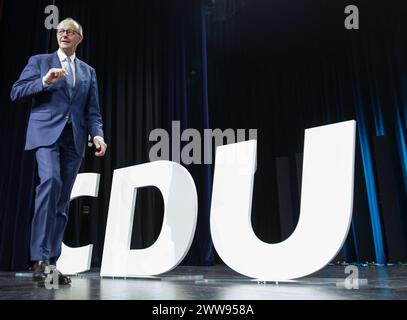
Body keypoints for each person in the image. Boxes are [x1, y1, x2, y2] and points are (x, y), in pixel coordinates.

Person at [10, 17, 107, 286]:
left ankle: (51, 263)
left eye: (70, 32)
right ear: (56, 35)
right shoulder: (39, 61)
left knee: (63, 201)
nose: (64, 34)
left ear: (79, 38)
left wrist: (97, 135)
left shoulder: (88, 72)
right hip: (46, 135)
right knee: (50, 183)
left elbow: (92, 111)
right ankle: (39, 260)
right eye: (61, 31)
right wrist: (44, 81)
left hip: (74, 140)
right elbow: (16, 92)